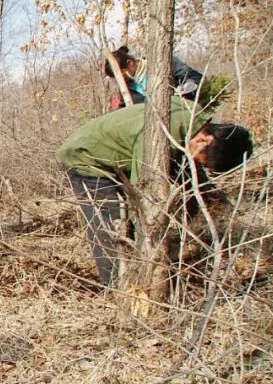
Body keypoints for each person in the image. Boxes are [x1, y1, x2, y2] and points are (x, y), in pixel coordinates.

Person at [57, 97, 252, 286]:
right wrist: (148, 237)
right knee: (111, 223)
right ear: (204, 140)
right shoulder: (157, 138)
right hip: (85, 156)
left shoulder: (193, 119)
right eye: (201, 161)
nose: (197, 164)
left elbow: (192, 180)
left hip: (118, 152)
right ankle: (117, 286)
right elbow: (142, 194)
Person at [105, 45, 204, 111]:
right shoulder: (127, 89)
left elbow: (196, 78)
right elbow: (122, 109)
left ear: (130, 63)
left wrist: (186, 89)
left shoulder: (162, 64)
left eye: (122, 74)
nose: (120, 80)